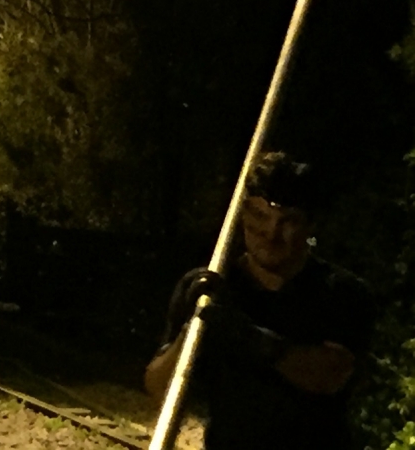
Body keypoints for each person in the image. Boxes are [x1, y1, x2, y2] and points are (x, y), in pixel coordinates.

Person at [144, 151, 375, 450]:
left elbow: (328, 376)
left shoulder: (342, 293)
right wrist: (192, 333)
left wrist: (250, 337)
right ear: (242, 214)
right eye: (259, 215)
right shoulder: (208, 289)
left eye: (287, 221)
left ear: (310, 225)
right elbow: (158, 385)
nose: (270, 233)